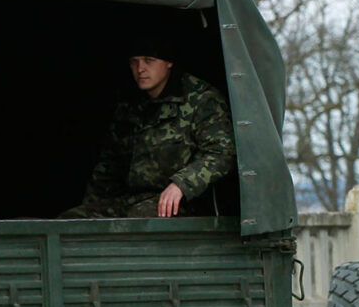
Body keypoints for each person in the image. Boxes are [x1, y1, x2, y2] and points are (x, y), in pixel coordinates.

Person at [64, 39, 236, 218]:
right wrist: (91, 206)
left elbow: (221, 153)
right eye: (134, 62)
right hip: (133, 200)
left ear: (169, 62)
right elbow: (109, 164)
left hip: (184, 204)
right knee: (73, 221)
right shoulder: (130, 103)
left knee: (136, 223)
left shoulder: (200, 99)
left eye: (149, 60)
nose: (140, 69)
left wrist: (181, 185)